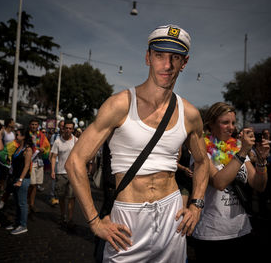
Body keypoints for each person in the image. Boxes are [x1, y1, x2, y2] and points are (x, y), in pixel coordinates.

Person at [65, 25, 209, 262]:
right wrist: (94, 222)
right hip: (128, 221)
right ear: (148, 57)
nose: (167, 64)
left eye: (175, 57)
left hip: (172, 219)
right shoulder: (120, 104)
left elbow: (203, 162)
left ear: (184, 63)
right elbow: (75, 162)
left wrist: (196, 205)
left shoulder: (189, 113)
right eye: (160, 55)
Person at [191, 102, 270, 263]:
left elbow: (258, 184)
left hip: (242, 230)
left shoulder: (237, 148)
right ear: (211, 124)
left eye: (233, 123)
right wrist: (242, 152)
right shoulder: (201, 150)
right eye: (225, 122)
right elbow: (219, 182)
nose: (231, 127)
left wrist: (261, 161)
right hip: (212, 234)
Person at [50, 120, 78, 227]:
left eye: (70, 128)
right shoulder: (58, 141)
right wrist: (53, 171)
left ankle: (70, 219)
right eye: (66, 128)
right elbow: (53, 157)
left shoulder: (76, 140)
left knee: (71, 197)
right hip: (60, 172)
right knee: (61, 197)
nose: (68, 130)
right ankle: (62, 216)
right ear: (63, 128)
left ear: (73, 129)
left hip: (72, 174)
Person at [6, 128, 33, 235]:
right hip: (15, 177)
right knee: (17, 202)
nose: (15, 137)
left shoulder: (28, 149)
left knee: (22, 203)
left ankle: (23, 225)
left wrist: (20, 180)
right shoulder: (18, 148)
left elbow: (27, 166)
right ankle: (17, 223)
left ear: (23, 137)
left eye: (17, 135)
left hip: (23, 179)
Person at [27, 119, 50, 213]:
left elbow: (47, 147)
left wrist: (43, 150)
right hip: (29, 162)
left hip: (39, 162)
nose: (34, 126)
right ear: (29, 125)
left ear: (38, 126)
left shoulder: (41, 135)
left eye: (36, 124)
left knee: (35, 185)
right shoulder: (26, 135)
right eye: (32, 124)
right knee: (31, 184)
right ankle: (26, 204)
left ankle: (31, 204)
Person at [0, 118, 16, 209]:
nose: (14, 123)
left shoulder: (13, 133)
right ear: (9, 123)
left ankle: (3, 194)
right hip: (3, 157)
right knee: (2, 178)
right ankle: (0, 194)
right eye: (13, 122)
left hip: (11, 157)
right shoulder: (3, 132)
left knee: (8, 177)